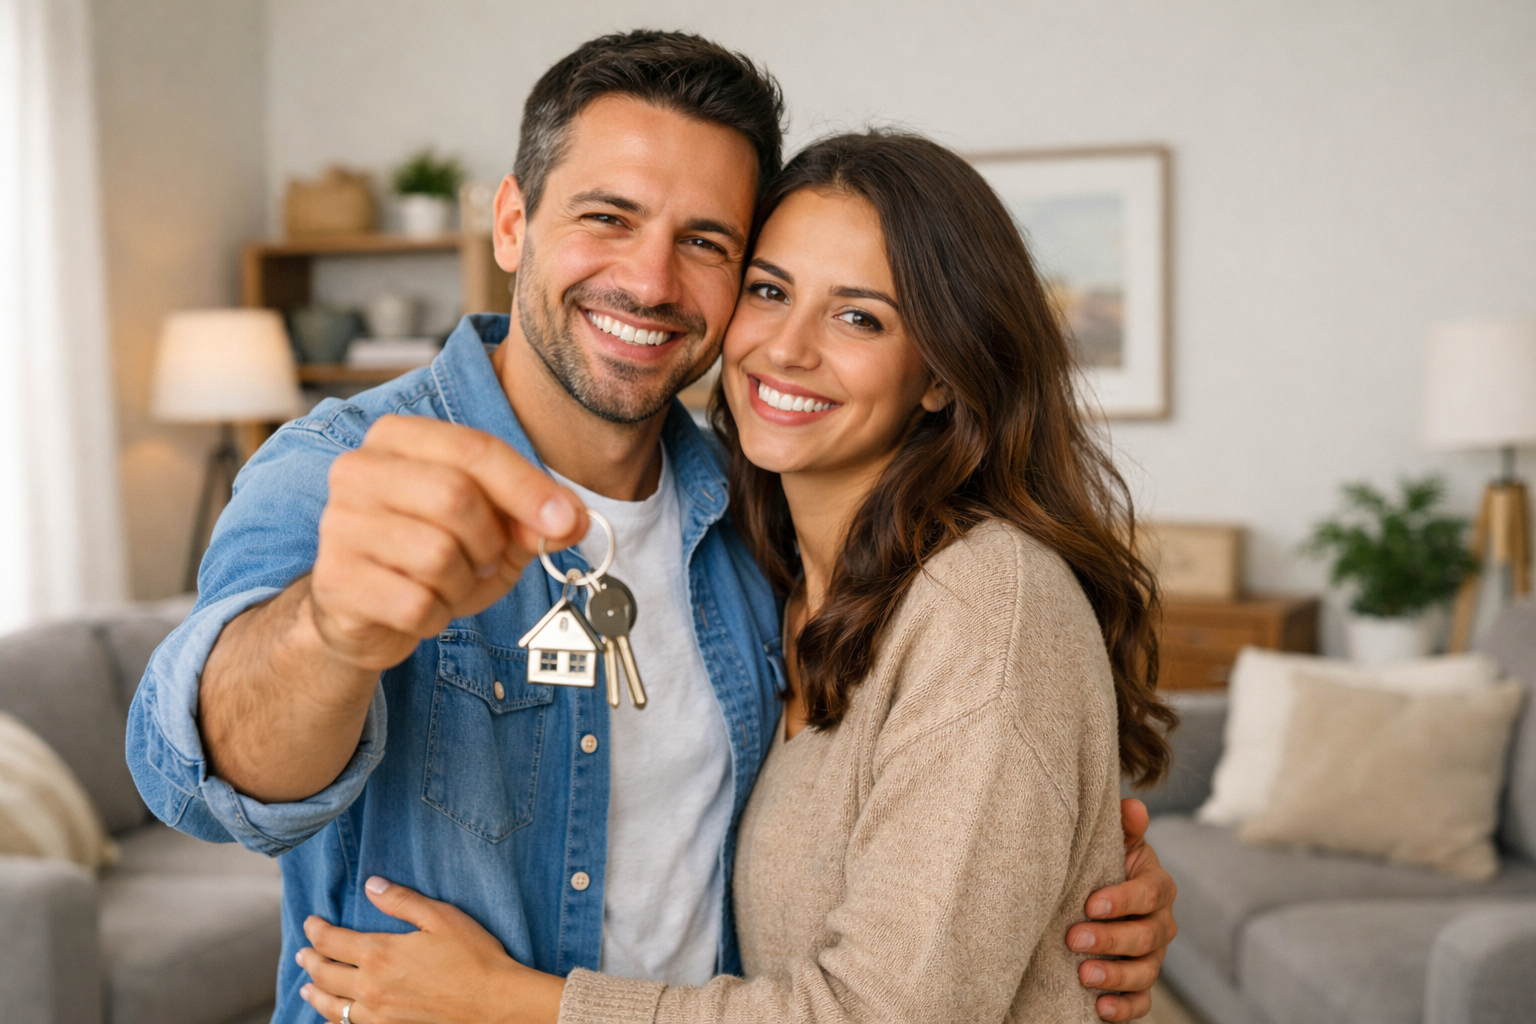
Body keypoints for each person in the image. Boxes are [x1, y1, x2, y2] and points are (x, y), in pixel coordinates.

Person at [124, 31, 1176, 1024]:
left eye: (708, 243)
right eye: (607, 216)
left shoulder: (750, 514)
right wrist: (332, 632)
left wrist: (1049, 889)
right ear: (510, 224)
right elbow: (205, 774)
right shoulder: (344, 468)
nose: (651, 279)